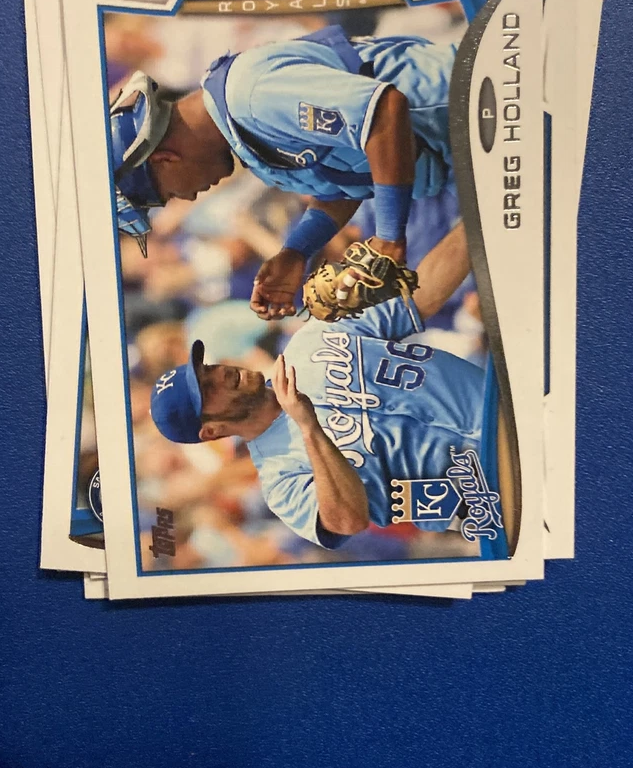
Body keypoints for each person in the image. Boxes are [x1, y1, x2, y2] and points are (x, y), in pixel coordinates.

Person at [148, 227, 504, 550]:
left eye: (208, 369)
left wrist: (473, 223)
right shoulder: (281, 482)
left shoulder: (309, 340)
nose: (221, 374)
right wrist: (309, 428)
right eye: (208, 388)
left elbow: (417, 298)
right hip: (493, 489)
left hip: (507, 404)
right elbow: (348, 521)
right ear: (212, 430)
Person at [109, 26, 463, 315]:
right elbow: (345, 183)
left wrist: (388, 236)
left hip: (471, 103)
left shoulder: (251, 96)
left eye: (169, 194)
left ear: (164, 158)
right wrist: (297, 251)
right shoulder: (239, 137)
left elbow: (383, 112)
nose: (186, 198)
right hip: (461, 153)